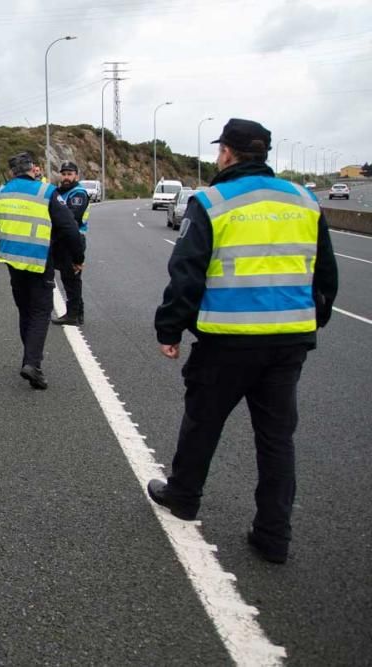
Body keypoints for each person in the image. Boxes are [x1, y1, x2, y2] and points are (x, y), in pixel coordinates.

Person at [147, 118, 338, 564]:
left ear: (228, 153)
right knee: (276, 439)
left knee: (203, 422)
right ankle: (274, 535)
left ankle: (184, 496)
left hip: (227, 339)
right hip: (289, 340)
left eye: (220, 152)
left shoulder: (213, 201)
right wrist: (313, 318)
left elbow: (186, 272)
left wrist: (170, 328)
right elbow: (324, 272)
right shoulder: (303, 200)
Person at [0, 152, 85, 389]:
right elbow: (70, 228)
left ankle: (29, 359)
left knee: (25, 311)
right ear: (33, 169)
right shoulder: (46, 192)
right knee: (40, 312)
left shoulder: (0, 192)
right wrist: (77, 258)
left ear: (12, 172)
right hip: (40, 259)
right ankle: (33, 364)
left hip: (13, 260)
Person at [51, 161, 90, 325]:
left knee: (71, 278)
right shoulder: (61, 192)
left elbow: (71, 219)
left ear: (76, 175)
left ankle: (73, 314)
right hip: (63, 239)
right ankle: (76, 313)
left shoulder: (78, 194)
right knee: (68, 278)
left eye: (70, 174)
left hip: (73, 238)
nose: (66, 177)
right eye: (64, 174)